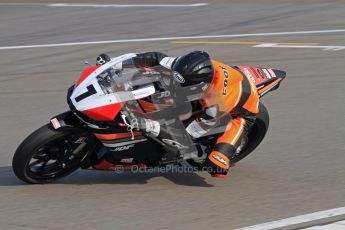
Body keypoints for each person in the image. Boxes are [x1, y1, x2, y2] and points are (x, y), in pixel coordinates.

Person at [95, 51, 259, 178]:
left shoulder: (218, 102)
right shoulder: (185, 65)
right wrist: (114, 65)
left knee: (215, 163)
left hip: (240, 113)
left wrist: (153, 127)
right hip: (213, 90)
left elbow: (188, 135)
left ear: (202, 85)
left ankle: (204, 158)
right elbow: (154, 58)